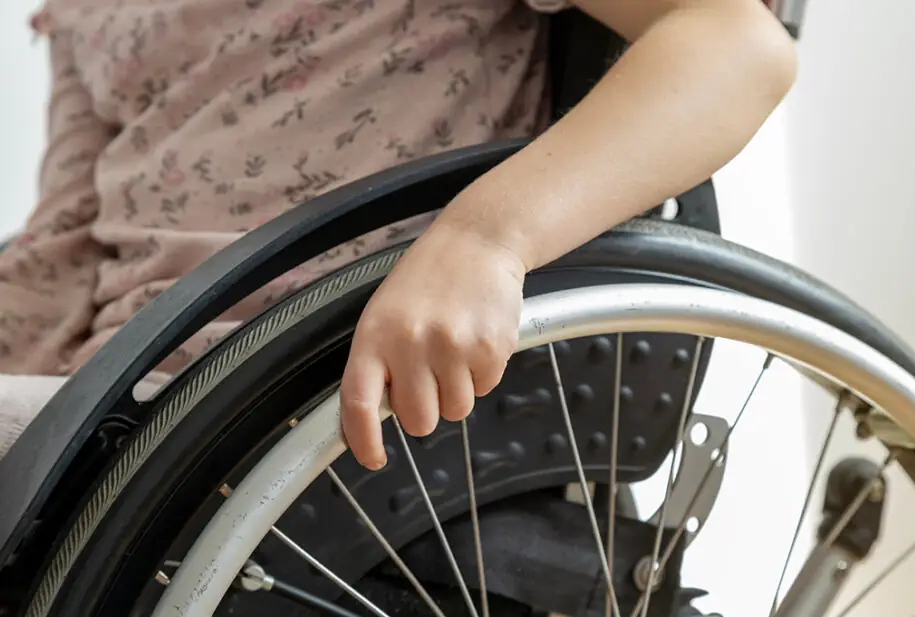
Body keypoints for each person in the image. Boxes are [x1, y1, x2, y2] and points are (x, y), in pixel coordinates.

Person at [0, 0, 796, 464]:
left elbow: (735, 44)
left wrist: (485, 238)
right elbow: (63, 240)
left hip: (290, 374)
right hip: (110, 396)